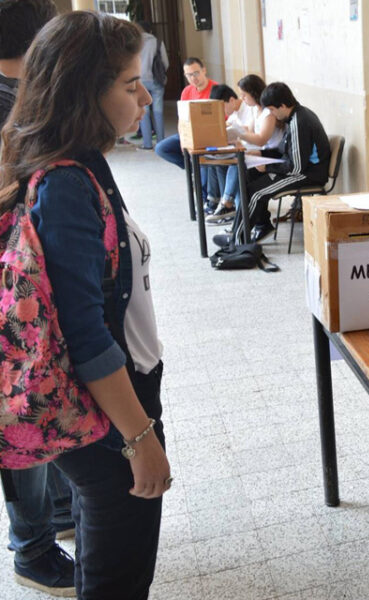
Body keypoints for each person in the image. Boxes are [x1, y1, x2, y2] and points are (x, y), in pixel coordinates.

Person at [0, 11, 173, 599]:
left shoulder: (84, 165)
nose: (145, 98)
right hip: (106, 407)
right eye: (130, 84)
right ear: (83, 92)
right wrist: (139, 440)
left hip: (114, 397)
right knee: (117, 574)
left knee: (109, 543)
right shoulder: (66, 185)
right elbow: (85, 334)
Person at [0, 1, 79, 596]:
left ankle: (53, 515)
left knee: (37, 399)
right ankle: (32, 550)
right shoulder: (12, 108)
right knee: (20, 415)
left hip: (25, 285)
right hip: (12, 289)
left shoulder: (22, 99)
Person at [215, 81, 330, 245]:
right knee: (249, 176)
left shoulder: (299, 122)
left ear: (282, 106)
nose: (272, 115)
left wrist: (268, 167)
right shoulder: (294, 117)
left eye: (272, 110)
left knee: (257, 193)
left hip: (308, 175)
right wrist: (261, 154)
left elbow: (296, 167)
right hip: (299, 169)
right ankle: (248, 230)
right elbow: (286, 151)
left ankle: (237, 240)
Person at [205, 74, 284, 225]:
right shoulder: (256, 109)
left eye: (244, 95)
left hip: (273, 155)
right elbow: (249, 130)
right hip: (262, 152)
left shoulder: (268, 113)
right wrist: (234, 135)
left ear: (254, 93)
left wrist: (240, 134)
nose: (242, 98)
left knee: (239, 162)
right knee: (236, 159)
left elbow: (261, 139)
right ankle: (235, 214)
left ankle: (230, 206)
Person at [153, 56, 218, 171]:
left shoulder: (216, 90)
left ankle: (198, 171)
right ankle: (192, 169)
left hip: (209, 136)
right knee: (161, 148)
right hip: (190, 133)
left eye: (196, 73)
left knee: (203, 169)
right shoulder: (187, 91)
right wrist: (183, 139)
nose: (193, 78)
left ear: (204, 70)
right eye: (189, 75)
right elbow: (182, 120)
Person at [204, 83, 253, 213]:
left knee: (229, 162)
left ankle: (227, 204)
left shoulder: (249, 110)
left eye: (222, 108)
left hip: (250, 152)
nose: (221, 112)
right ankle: (217, 201)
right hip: (239, 150)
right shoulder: (233, 114)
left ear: (231, 100)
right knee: (215, 159)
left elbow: (251, 135)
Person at [136, 20, 167, 150]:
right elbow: (165, 62)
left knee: (144, 111)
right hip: (156, 80)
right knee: (158, 111)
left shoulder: (135, 42)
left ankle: (147, 143)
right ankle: (161, 143)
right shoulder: (158, 42)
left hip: (139, 81)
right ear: (150, 30)